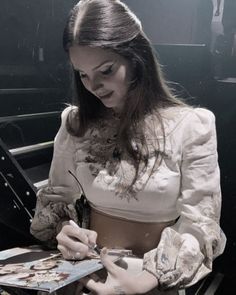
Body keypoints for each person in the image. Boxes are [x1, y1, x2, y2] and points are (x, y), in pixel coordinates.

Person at [30, 0, 226, 294]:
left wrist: (143, 282)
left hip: (153, 282)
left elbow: (201, 225)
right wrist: (65, 232)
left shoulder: (191, 126)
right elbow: (57, 204)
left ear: (136, 56)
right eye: (83, 74)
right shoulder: (75, 123)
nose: (93, 85)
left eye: (105, 70)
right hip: (88, 275)